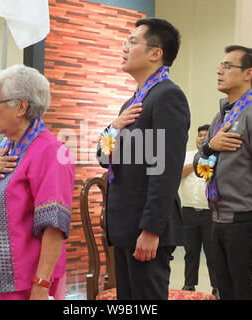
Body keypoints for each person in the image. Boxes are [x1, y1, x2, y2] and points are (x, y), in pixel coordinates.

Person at [0, 64, 75, 300]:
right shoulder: (1, 148)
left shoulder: (51, 153)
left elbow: (54, 226)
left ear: (21, 107)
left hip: (21, 282)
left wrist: (41, 285)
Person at [97, 17, 190, 300]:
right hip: (125, 225)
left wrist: (151, 230)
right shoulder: (134, 101)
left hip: (145, 230)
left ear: (155, 53)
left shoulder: (167, 96)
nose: (124, 47)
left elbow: (166, 171)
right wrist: (114, 126)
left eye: (132, 41)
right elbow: (102, 156)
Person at [194, 45, 252, 300]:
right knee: (226, 293)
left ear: (248, 73)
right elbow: (201, 165)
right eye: (220, 66)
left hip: (245, 224)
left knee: (250, 294)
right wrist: (211, 145)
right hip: (218, 220)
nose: (219, 71)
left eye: (227, 66)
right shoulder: (220, 118)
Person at [179, 124, 218, 297]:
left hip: (209, 212)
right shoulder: (186, 156)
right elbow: (178, 174)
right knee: (191, 252)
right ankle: (189, 285)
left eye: (205, 135)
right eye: (199, 135)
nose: (202, 138)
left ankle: (217, 287)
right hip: (188, 210)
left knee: (212, 253)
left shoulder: (216, 157)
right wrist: (196, 163)